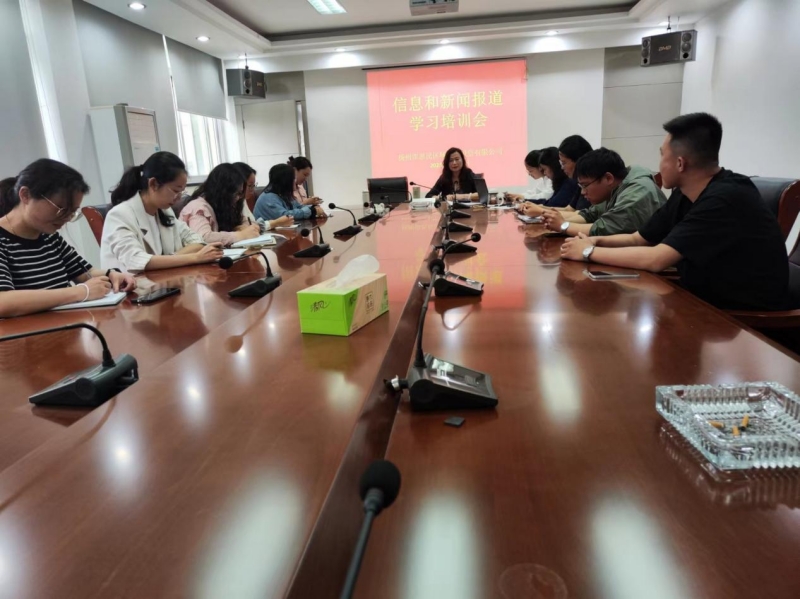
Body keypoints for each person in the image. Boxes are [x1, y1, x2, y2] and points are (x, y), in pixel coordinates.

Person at [560, 112, 790, 312]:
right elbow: (638, 239)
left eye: (662, 155)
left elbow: (657, 259)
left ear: (680, 163)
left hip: (738, 318)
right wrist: (594, 240)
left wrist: (588, 252)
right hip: (700, 301)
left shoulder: (724, 198)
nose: (659, 164)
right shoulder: (685, 193)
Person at [0, 159, 135, 318]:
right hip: (28, 332)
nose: (66, 219)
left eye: (73, 212)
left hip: (65, 325)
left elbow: (85, 273)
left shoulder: (49, 236)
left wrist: (111, 275)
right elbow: (3, 302)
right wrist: (80, 292)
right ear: (25, 195)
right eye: (61, 209)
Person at [101, 151, 224, 272]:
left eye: (181, 192)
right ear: (153, 184)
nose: (179, 198)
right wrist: (195, 258)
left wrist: (172, 259)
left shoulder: (165, 212)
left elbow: (198, 242)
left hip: (164, 280)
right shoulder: (119, 215)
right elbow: (135, 260)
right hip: (131, 283)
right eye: (175, 191)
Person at [542, 148, 665, 237]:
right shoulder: (615, 188)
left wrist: (563, 225)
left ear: (608, 178)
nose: (583, 192)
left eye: (585, 185)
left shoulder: (637, 193)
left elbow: (605, 228)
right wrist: (554, 220)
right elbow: (590, 215)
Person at [180, 164, 292, 246]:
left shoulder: (224, 205)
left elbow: (249, 222)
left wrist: (244, 227)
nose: (238, 198)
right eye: (236, 193)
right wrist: (240, 235)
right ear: (223, 191)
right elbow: (203, 238)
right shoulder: (198, 207)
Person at [515, 148, 579, 217]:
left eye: (544, 169)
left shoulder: (569, 183)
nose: (544, 173)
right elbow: (548, 202)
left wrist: (538, 208)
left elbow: (553, 203)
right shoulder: (560, 182)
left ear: (554, 166)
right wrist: (528, 202)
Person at [254, 163, 326, 221]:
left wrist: (314, 208)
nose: (295, 181)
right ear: (285, 181)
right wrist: (311, 211)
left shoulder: (283, 194)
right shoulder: (268, 198)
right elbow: (285, 216)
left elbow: (298, 206)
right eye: (293, 178)